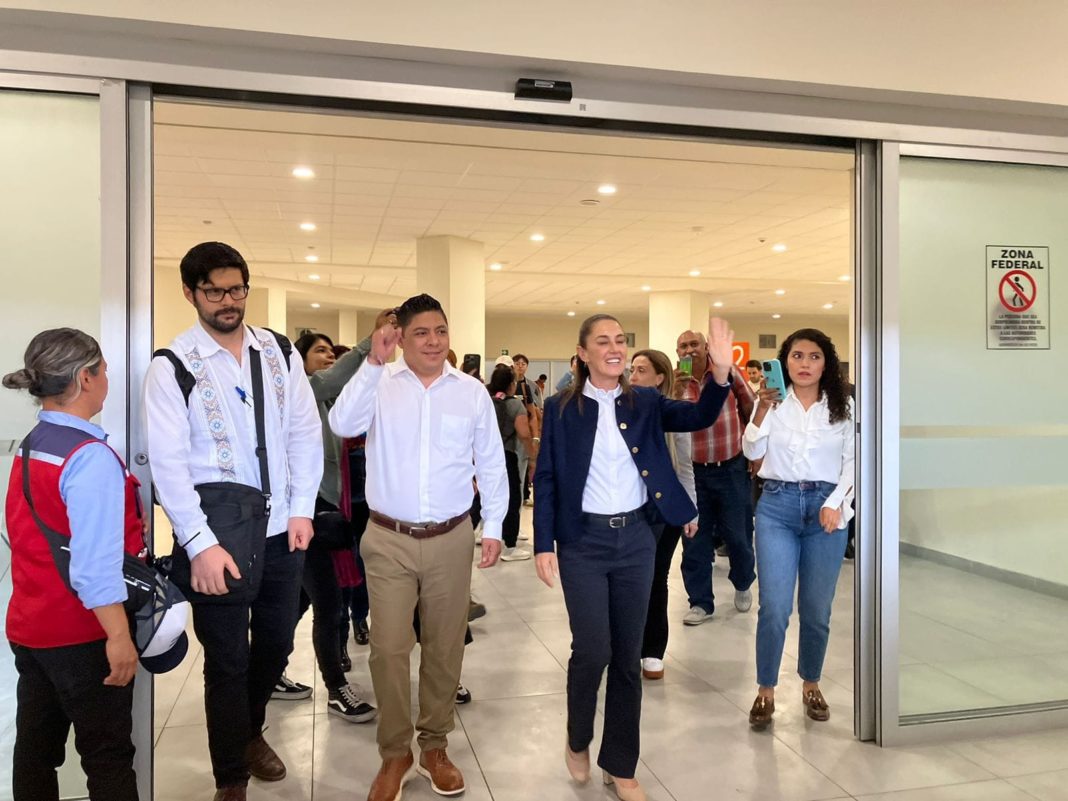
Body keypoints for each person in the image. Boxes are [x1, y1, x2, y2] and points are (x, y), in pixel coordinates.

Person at [144, 241, 323, 801]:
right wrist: (197, 543)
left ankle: (249, 731)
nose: (228, 300)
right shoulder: (172, 366)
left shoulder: (277, 351)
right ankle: (230, 777)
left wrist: (301, 509)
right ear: (190, 293)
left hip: (280, 534)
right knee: (226, 660)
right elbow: (169, 465)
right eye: (214, 291)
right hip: (217, 538)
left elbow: (303, 432)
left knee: (274, 647)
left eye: (236, 288)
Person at [534, 314, 734, 801]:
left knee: (627, 655)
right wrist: (543, 543)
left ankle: (621, 764)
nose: (614, 348)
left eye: (620, 340)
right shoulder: (561, 408)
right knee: (594, 650)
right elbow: (547, 477)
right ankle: (578, 736)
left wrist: (722, 374)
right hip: (583, 542)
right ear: (582, 353)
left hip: (638, 539)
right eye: (602, 341)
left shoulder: (643, 401)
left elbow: (699, 416)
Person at [329, 293, 508, 801]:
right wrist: (372, 361)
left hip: (451, 537)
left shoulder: (470, 393)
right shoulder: (380, 383)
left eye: (441, 332)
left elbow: (491, 462)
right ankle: (395, 753)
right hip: (388, 538)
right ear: (401, 337)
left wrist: (492, 525)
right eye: (421, 333)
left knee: (445, 646)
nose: (433, 342)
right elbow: (341, 424)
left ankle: (434, 745)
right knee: (387, 649)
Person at [3, 328, 141, 801]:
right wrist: (119, 637)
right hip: (81, 636)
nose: (108, 378)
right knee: (107, 757)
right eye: (103, 369)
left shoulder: (33, 442)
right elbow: (94, 567)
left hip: (30, 626)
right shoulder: (89, 457)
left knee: (36, 751)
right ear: (86, 377)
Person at [743, 328, 854, 730]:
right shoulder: (774, 404)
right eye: (796, 356)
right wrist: (759, 409)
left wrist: (834, 501)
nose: (804, 364)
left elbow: (854, 461)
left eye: (814, 357)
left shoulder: (842, 406)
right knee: (773, 607)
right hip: (777, 506)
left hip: (827, 510)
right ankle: (765, 690)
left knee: (816, 610)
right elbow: (752, 452)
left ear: (826, 363)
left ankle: (811, 683)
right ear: (784, 362)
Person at [292, 328, 385, 723]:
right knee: (328, 606)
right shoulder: (308, 390)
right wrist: (370, 345)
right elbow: (336, 377)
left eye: (332, 350)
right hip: (306, 512)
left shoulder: (330, 404)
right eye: (320, 350)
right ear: (302, 361)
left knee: (298, 602)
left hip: (329, 509)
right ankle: (335, 688)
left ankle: (268, 669)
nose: (329, 356)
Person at [675, 329, 757, 625]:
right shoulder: (676, 383)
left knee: (738, 535)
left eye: (694, 344)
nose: (689, 350)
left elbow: (750, 407)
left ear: (706, 346)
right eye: (683, 346)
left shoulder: (727, 372)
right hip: (692, 475)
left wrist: (753, 451)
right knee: (694, 541)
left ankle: (743, 580)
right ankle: (700, 602)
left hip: (731, 468)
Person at [628, 349, 697, 681]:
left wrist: (690, 511)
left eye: (642, 370)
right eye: (632, 370)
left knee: (655, 579)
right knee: (627, 581)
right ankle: (624, 647)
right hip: (628, 510)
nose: (633, 376)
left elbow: (685, 468)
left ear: (660, 378)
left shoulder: (672, 417)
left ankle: (652, 650)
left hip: (664, 511)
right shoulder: (620, 412)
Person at [486, 363, 536, 561]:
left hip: (487, 457)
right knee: (512, 498)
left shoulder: (487, 401)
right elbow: (524, 434)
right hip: (507, 456)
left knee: (484, 496)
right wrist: (533, 456)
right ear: (511, 384)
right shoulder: (515, 404)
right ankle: (510, 545)